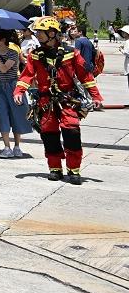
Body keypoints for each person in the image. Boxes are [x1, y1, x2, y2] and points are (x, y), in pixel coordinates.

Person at [15, 16, 100, 184]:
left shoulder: (71, 53)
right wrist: (19, 91)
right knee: (49, 135)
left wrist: (95, 95)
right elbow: (26, 75)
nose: (37, 35)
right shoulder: (35, 56)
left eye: (41, 32)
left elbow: (85, 75)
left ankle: (73, 169)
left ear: (52, 33)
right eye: (37, 31)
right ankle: (55, 168)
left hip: (68, 100)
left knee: (72, 132)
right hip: (46, 102)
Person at [0, 29, 30, 158]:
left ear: (3, 40)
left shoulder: (13, 52)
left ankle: (17, 146)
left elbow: (4, 68)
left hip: (13, 86)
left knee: (16, 115)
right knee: (2, 116)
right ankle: (7, 147)